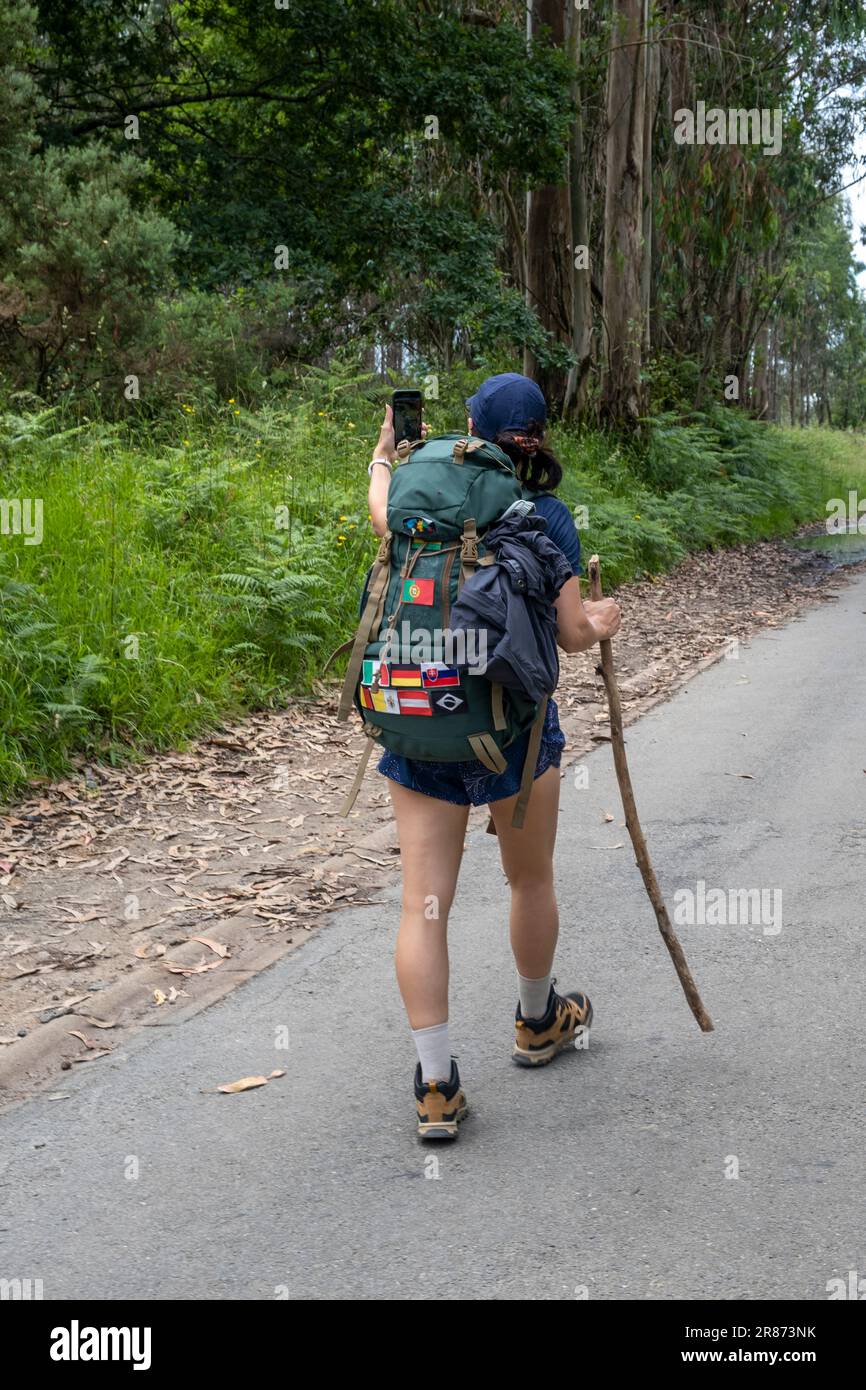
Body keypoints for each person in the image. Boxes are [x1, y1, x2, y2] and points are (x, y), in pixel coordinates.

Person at [366, 372, 621, 1139]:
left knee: (423, 905)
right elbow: (574, 634)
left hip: (422, 718)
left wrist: (384, 453)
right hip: (517, 731)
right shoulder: (544, 515)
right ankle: (538, 1022)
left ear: (470, 427)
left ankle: (436, 1084)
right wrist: (606, 616)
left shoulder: (418, 503)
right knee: (530, 876)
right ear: (540, 435)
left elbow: (381, 512)